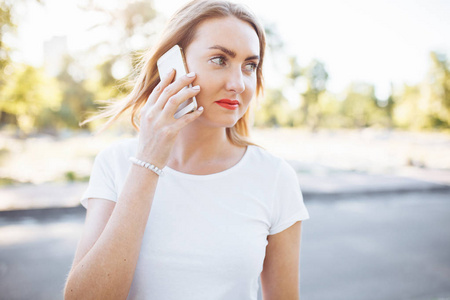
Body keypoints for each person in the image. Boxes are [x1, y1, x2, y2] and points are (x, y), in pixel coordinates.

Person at [64, 0, 309, 299]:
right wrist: (148, 161)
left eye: (250, 66)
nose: (238, 84)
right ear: (173, 63)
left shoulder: (274, 177)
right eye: (220, 59)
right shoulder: (115, 164)